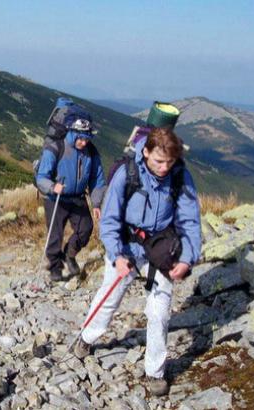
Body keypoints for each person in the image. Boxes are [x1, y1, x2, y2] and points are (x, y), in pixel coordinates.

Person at [73, 127, 202, 396]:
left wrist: (187, 259)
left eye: (170, 161)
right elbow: (109, 219)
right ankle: (86, 337)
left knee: (159, 312)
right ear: (145, 152)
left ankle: (155, 372)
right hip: (127, 246)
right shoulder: (127, 173)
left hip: (162, 249)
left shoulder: (180, 176)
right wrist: (117, 255)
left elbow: (190, 221)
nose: (164, 167)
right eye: (158, 161)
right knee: (110, 298)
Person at [36, 130, 106, 281]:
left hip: (78, 197)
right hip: (55, 198)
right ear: (73, 134)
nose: (84, 143)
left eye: (87, 139)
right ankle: (55, 267)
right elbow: (41, 177)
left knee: (85, 229)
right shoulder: (56, 147)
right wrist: (52, 186)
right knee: (55, 235)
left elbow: (97, 179)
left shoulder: (91, 151)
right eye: (81, 139)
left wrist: (96, 203)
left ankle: (69, 254)